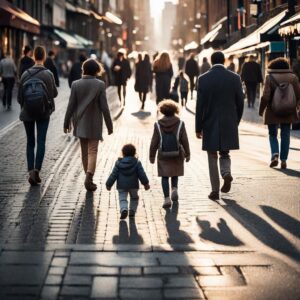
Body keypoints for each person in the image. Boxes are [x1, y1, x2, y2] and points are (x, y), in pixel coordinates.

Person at [196, 51, 244, 201]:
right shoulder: (235, 78)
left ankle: (215, 190)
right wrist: (236, 120)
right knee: (225, 152)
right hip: (229, 120)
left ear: (211, 61)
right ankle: (226, 173)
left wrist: (198, 127)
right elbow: (240, 102)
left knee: (211, 155)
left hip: (210, 122)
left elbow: (200, 106)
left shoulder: (203, 79)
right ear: (224, 61)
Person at [64, 59, 113, 191]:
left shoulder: (75, 84)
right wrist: (109, 125)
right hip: (94, 123)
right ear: (97, 70)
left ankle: (88, 177)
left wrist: (66, 122)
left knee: (84, 152)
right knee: (93, 151)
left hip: (79, 122)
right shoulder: (100, 85)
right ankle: (89, 177)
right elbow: (105, 107)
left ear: (83, 69)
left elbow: (70, 106)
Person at [18, 46, 58, 185]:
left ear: (34, 56)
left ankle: (30, 171)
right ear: (44, 56)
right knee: (41, 141)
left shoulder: (25, 74)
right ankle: (36, 170)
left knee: (30, 142)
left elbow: (19, 98)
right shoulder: (48, 74)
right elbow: (54, 94)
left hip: (27, 112)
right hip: (43, 112)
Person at [259, 57, 300, 169]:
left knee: (272, 134)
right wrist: (297, 107)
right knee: (285, 134)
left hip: (273, 111)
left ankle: (275, 154)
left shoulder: (269, 77)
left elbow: (265, 96)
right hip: (288, 111)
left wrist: (261, 110)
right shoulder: (293, 77)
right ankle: (283, 160)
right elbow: (298, 95)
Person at [150, 100, 190, 208]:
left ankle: (167, 198)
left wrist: (152, 156)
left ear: (162, 111)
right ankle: (174, 189)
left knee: (164, 176)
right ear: (175, 110)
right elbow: (184, 139)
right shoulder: (180, 123)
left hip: (163, 154)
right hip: (177, 153)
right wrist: (188, 154)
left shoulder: (158, 124)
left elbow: (154, 141)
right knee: (174, 172)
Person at [106, 143, 150, 219]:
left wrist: (108, 184)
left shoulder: (118, 163)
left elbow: (113, 174)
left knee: (122, 198)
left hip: (121, 185)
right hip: (133, 185)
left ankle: (124, 209)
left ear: (123, 153)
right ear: (134, 153)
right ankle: (132, 210)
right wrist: (146, 183)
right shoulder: (137, 163)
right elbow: (142, 174)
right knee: (134, 198)